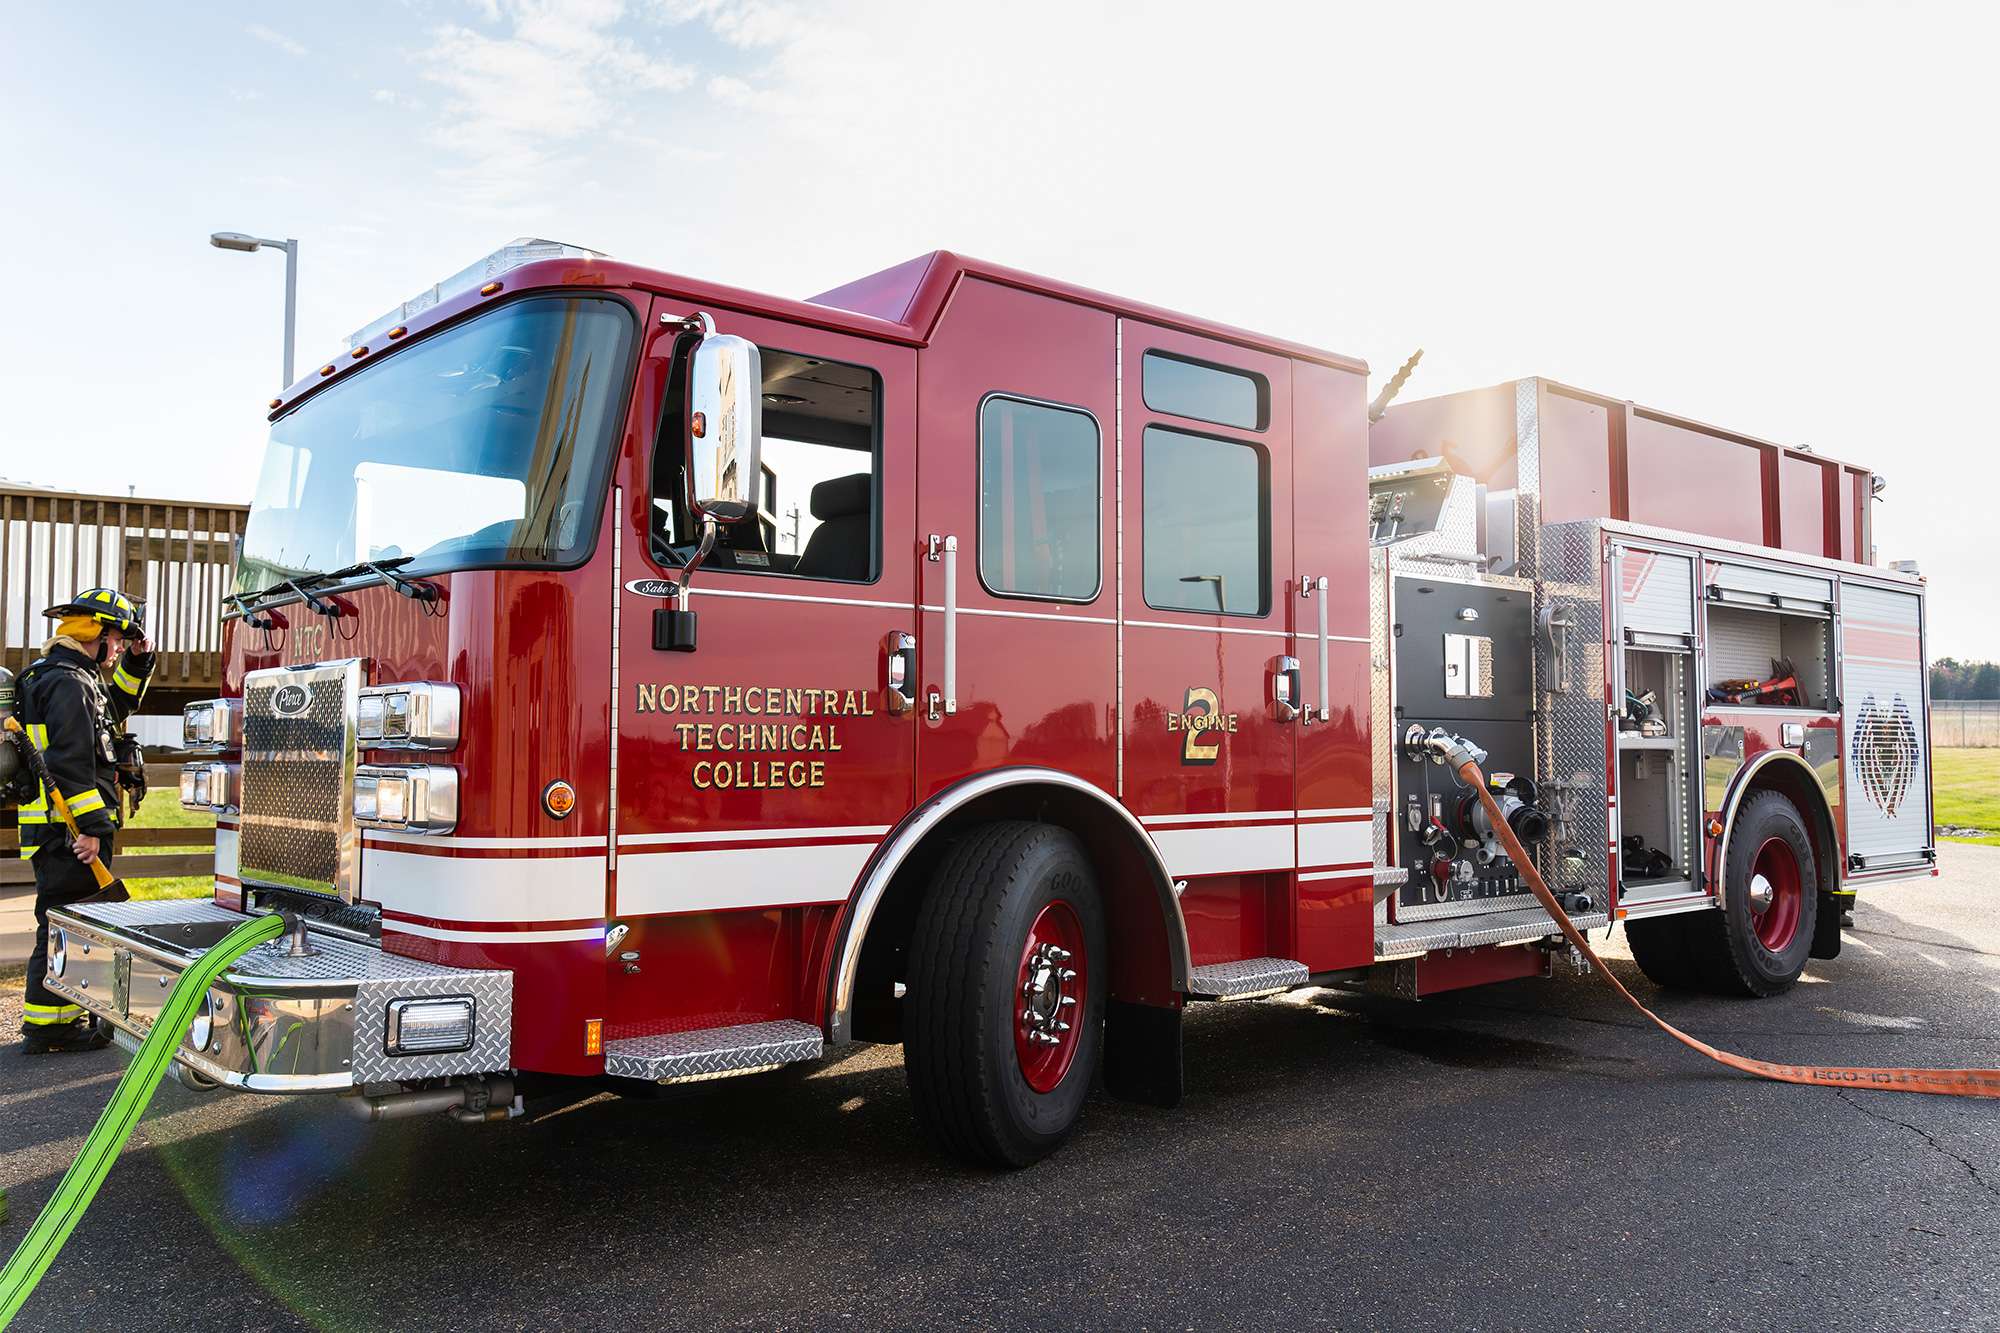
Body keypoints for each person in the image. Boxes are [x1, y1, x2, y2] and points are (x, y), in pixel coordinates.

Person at [14, 587, 153, 1053]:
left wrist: (138, 663)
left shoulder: (61, 676)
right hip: (68, 833)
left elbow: (113, 709)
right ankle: (50, 1028)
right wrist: (91, 830)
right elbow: (70, 763)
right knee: (66, 926)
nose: (118, 649)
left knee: (64, 923)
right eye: (118, 640)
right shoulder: (69, 684)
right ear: (98, 634)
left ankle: (52, 1022)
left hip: (56, 830)